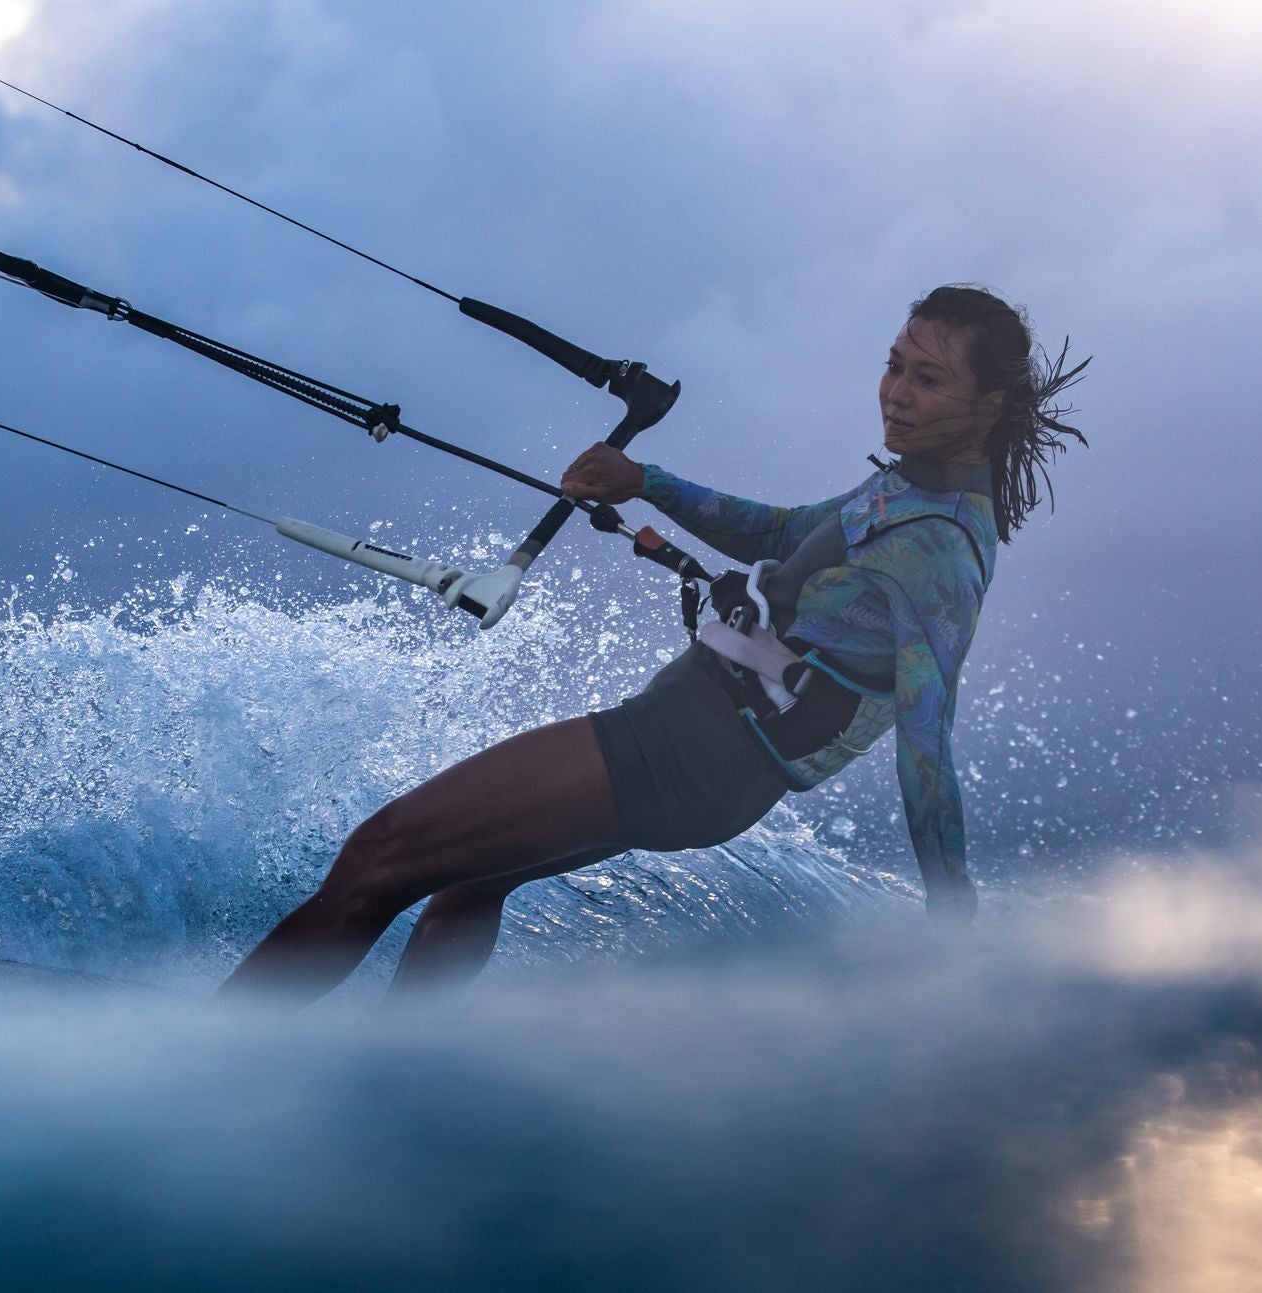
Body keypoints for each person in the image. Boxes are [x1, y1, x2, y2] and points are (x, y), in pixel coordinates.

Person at [218, 285, 1088, 1002]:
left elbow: (927, 749)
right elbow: (781, 532)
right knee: (466, 885)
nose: (896, 392)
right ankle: (383, 1083)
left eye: (927, 380)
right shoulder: (907, 488)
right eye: (894, 365)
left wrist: (954, 924)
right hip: (693, 743)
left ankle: (220, 1072)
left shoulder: (942, 548)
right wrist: (648, 482)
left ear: (990, 405)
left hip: (692, 751)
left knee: (378, 858)